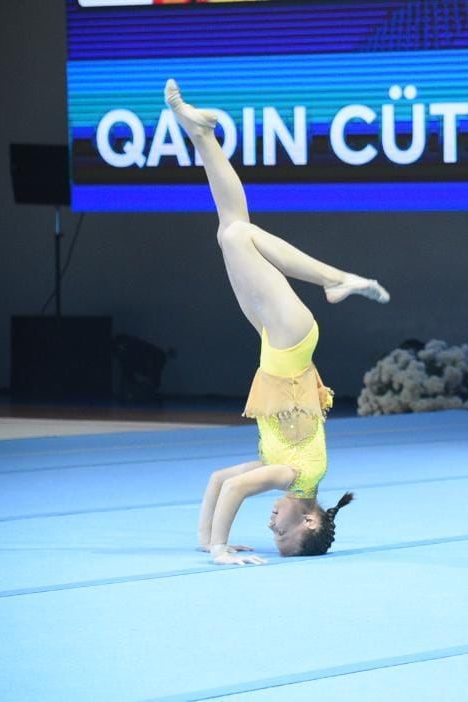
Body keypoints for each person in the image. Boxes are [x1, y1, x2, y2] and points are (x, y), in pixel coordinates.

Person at [167, 79, 387, 565]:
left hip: (277, 345)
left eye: (272, 539)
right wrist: (222, 550)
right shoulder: (292, 476)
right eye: (283, 535)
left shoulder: (284, 469)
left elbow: (219, 482)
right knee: (240, 233)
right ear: (309, 520)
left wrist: (207, 538)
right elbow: (240, 491)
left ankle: (201, 135)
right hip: (291, 342)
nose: (272, 528)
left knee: (231, 228)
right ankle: (338, 278)